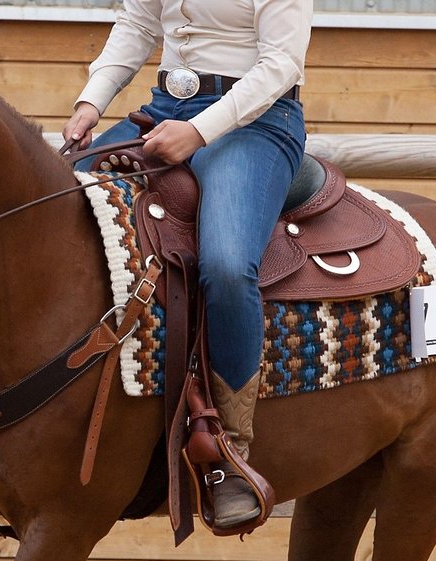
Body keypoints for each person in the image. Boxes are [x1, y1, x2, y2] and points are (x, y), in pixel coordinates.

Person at [63, 0, 313, 529]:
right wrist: (92, 100)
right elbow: (136, 23)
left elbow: (281, 64)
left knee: (226, 265)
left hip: (257, 123)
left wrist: (199, 132)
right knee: (61, 203)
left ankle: (231, 451)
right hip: (164, 110)